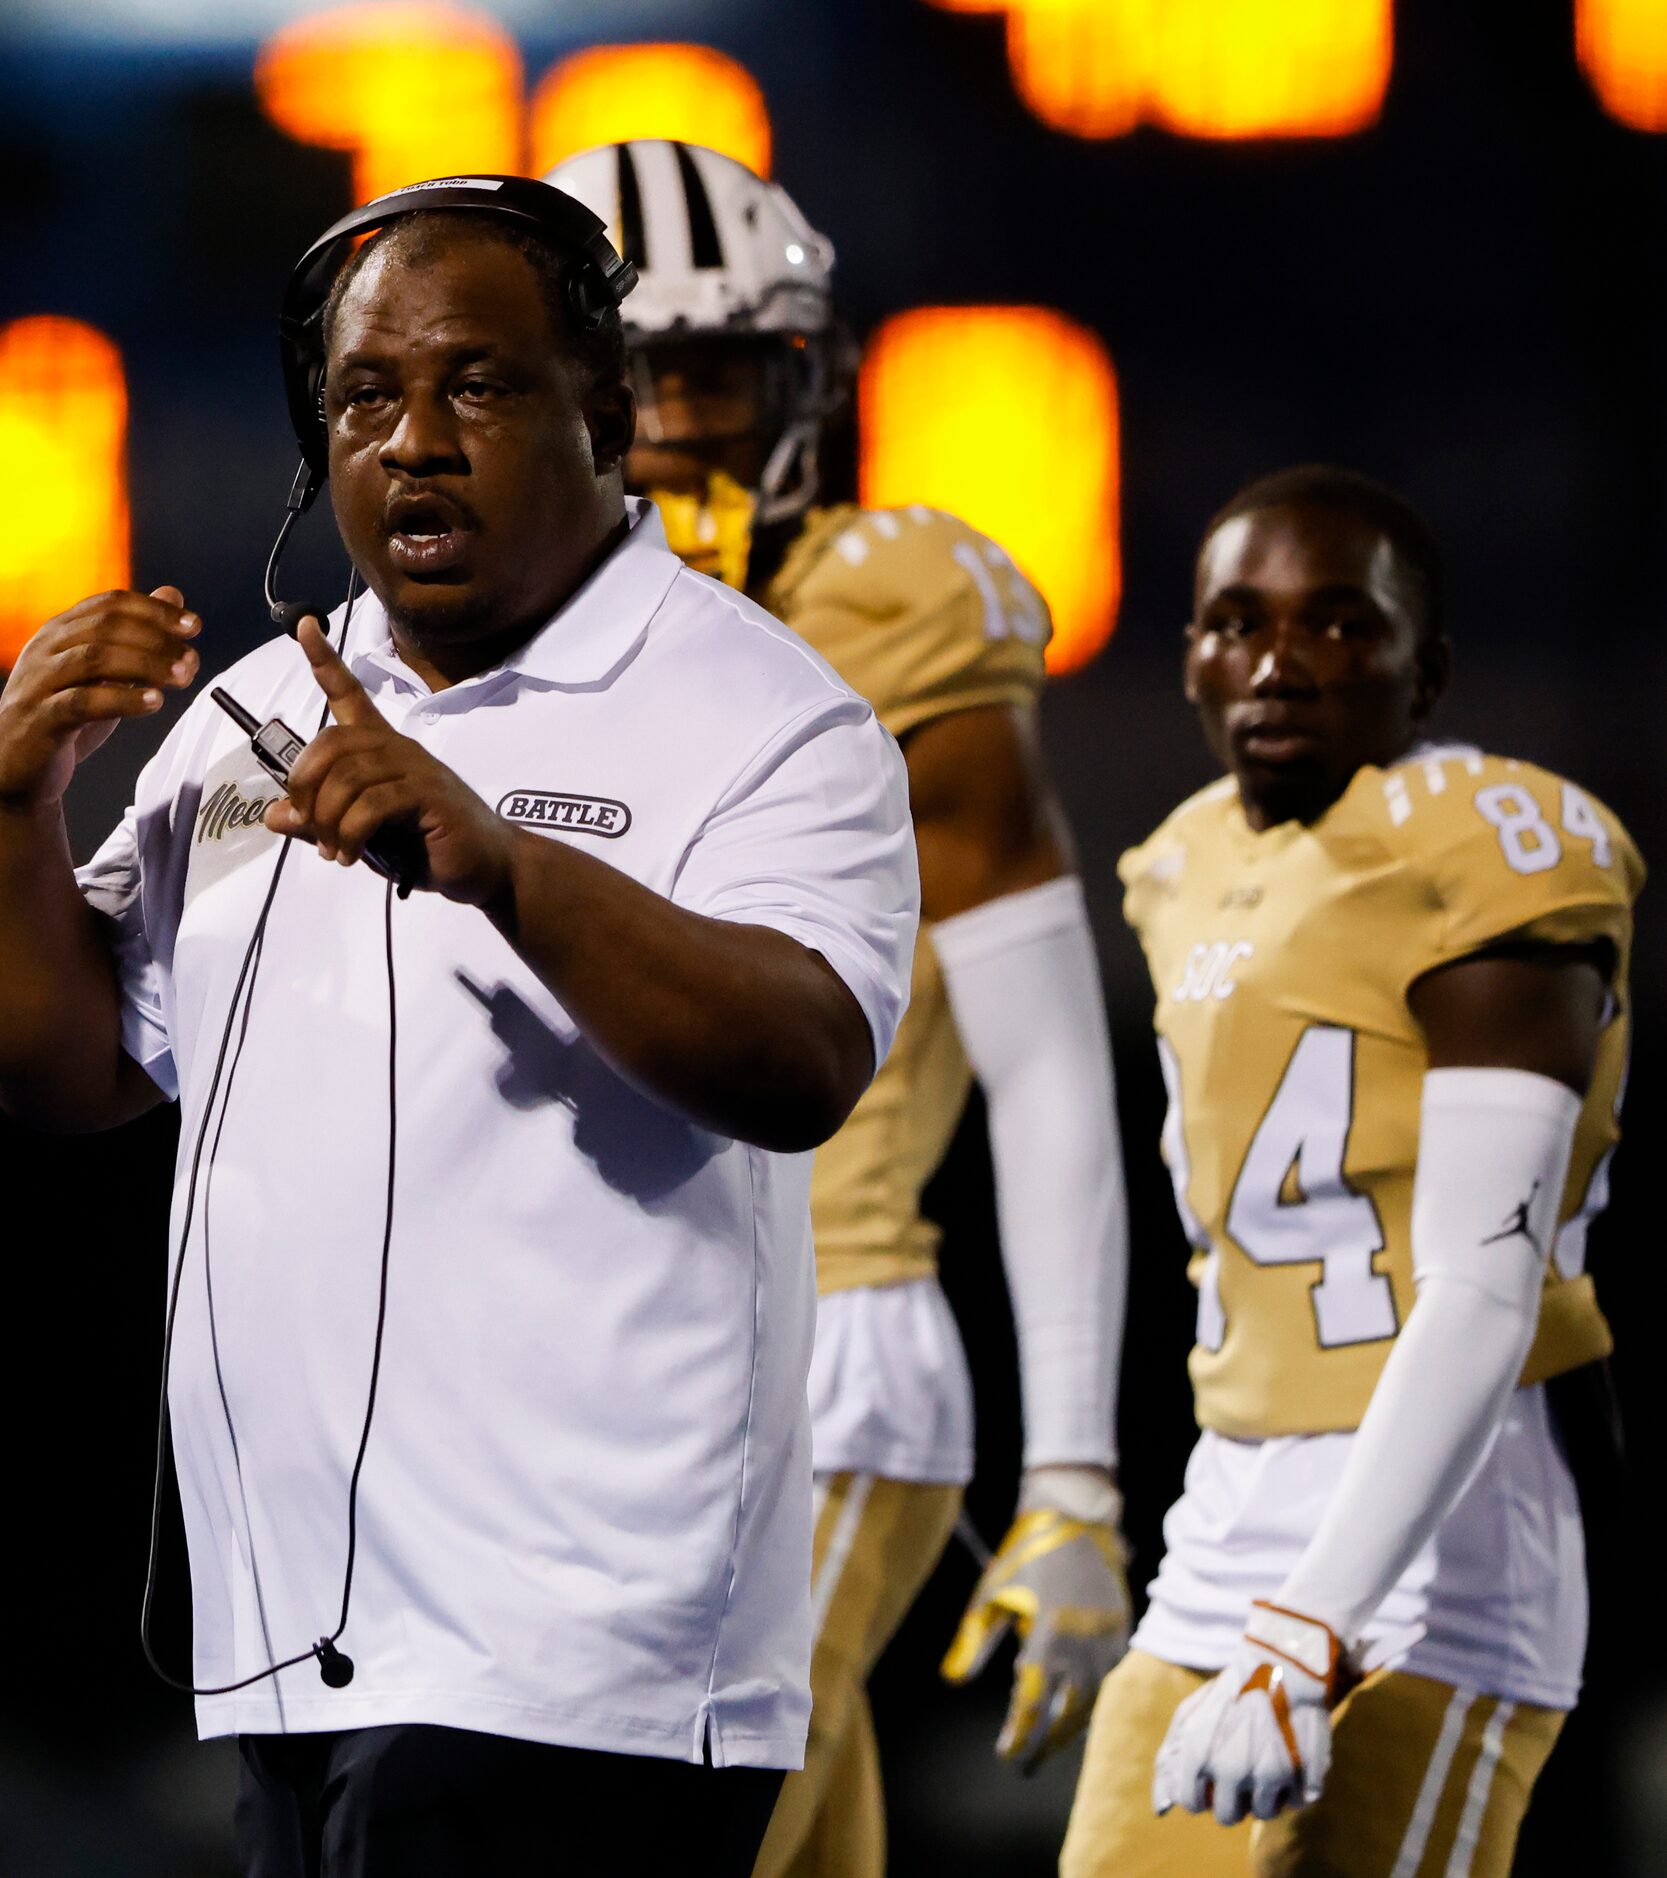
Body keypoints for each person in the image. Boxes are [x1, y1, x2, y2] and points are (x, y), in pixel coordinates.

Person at [0, 176, 920, 1876]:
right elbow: (71, 1064)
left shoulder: (766, 712)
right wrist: (4, 802)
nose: (413, 442)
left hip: (584, 1663)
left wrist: (503, 864)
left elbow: (806, 1058)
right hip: (294, 1645)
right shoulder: (251, 718)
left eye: (477, 384)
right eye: (364, 398)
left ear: (604, 410)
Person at [541, 141, 1132, 1876]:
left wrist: (1078, 1473)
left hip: (828, 1345)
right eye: (627, 377)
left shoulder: (895, 609)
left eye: (712, 370)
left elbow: (1043, 1075)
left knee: (663, 1826)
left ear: (800, 374)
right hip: (587, 1351)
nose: (671, 423)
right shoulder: (487, 643)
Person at [1060, 466, 1636, 1877]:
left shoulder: (1485, 847)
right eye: (1233, 622)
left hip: (1445, 1524)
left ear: (1420, 665)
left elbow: (1485, 1293)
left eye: (1333, 623)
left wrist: (1311, 1622)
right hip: (1231, 1501)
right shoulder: (1181, 861)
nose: (1272, 661)